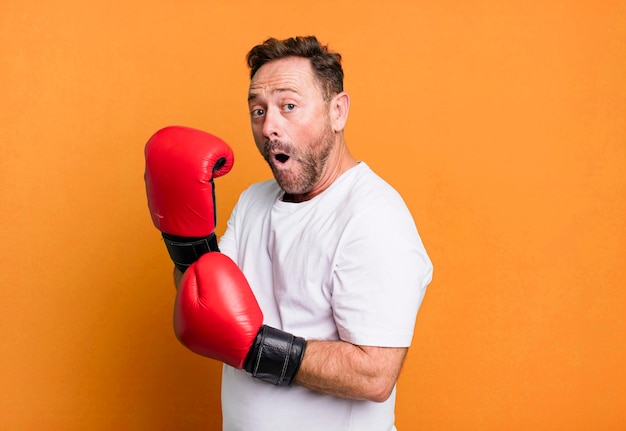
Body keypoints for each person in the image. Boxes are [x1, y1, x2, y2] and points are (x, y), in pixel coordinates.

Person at [145, 35, 432, 431]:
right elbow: (203, 300)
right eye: (258, 110)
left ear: (337, 112)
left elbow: (374, 374)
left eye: (289, 106)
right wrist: (184, 240)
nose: (269, 127)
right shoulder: (253, 201)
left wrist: (255, 348)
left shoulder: (373, 216)